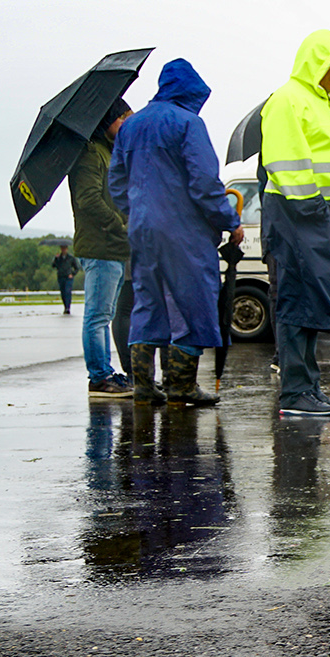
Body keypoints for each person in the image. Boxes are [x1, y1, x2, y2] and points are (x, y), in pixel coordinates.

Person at [107, 59, 244, 408]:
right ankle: (181, 387)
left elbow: (117, 183)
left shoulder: (130, 126)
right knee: (192, 302)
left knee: (147, 302)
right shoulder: (188, 124)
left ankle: (143, 385)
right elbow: (204, 183)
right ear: (190, 92)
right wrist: (230, 221)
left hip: (142, 229)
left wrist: (138, 211)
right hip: (183, 230)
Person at [260, 30, 330, 417]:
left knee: (312, 304)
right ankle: (295, 392)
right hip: (300, 214)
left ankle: (308, 386)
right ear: (314, 63)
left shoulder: (320, 103)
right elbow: (286, 161)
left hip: (320, 214)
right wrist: (313, 207)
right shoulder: (288, 100)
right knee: (297, 302)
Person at [69, 100, 135, 396]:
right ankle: (99, 377)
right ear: (107, 120)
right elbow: (89, 200)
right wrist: (120, 225)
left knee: (105, 315)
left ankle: (108, 372)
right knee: (97, 316)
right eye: (121, 118)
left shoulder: (109, 152)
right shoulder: (88, 154)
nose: (125, 124)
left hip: (116, 247)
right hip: (100, 247)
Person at [51, 246, 79, 314]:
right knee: (63, 292)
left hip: (68, 277)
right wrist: (55, 259)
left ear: (67, 249)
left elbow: (77, 268)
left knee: (67, 291)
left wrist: (72, 274)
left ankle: (68, 307)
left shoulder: (71, 258)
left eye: (65, 248)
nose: (63, 250)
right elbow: (53, 266)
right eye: (62, 248)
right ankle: (65, 306)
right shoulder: (58, 258)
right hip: (61, 276)